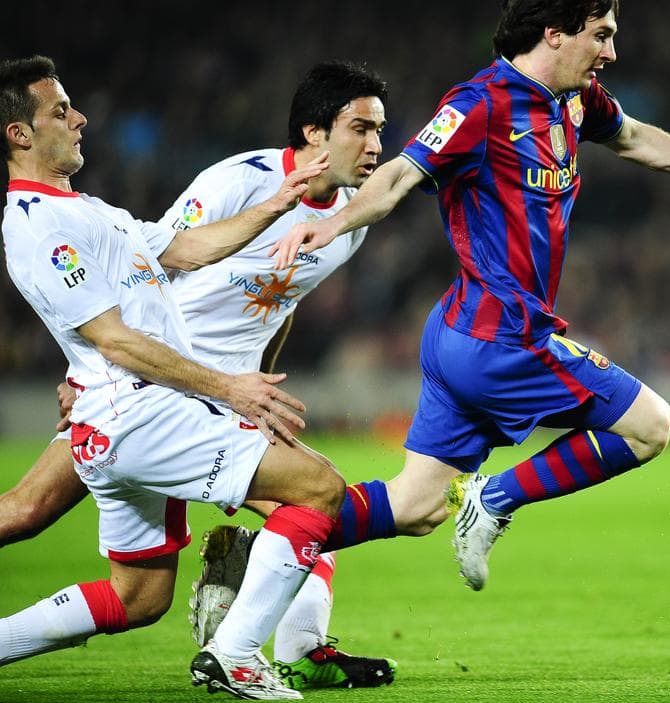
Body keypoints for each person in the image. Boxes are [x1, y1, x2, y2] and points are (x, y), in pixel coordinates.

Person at [267, 0, 670, 593]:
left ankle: (263, 552)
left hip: (459, 333)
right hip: (499, 339)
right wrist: (334, 222)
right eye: (600, 35)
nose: (611, 52)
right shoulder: (479, 103)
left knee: (414, 507)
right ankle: (494, 497)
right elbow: (402, 172)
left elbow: (634, 138)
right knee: (650, 426)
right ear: (555, 34)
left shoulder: (575, 100)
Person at [0, 60, 397, 691]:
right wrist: (225, 387)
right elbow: (112, 334)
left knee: (139, 597)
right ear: (19, 134)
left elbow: (191, 252)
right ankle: (243, 650)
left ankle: (289, 643)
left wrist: (280, 205)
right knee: (315, 491)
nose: (80, 119)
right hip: (149, 403)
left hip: (153, 405)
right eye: (61, 110)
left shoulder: (90, 210)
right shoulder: (38, 223)